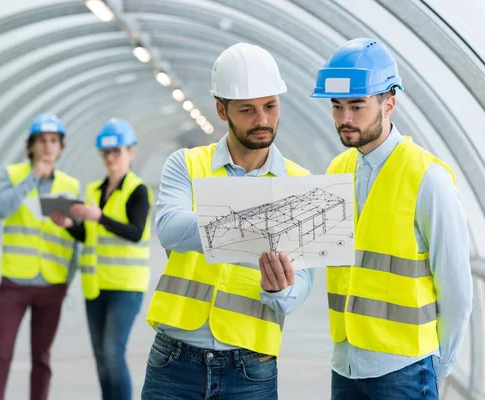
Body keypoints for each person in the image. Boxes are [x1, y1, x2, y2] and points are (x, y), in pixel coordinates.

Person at [141, 42, 316, 399]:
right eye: (247, 110)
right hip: (174, 359)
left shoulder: (301, 184)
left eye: (270, 106)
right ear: (222, 110)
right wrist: (252, 217)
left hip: (250, 367)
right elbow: (170, 228)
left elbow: (302, 285)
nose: (262, 120)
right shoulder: (187, 164)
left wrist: (280, 290)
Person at [311, 37, 473, 399]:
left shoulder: (426, 177)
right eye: (337, 107)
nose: (345, 119)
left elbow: (457, 285)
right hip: (345, 363)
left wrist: (439, 364)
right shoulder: (337, 169)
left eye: (357, 106)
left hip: (404, 369)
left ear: (389, 104)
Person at [51, 118, 153, 400]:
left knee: (113, 352)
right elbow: (91, 236)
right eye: (106, 153)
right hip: (95, 285)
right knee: (100, 355)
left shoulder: (138, 190)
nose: (110, 158)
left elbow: (134, 232)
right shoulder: (94, 190)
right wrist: (71, 225)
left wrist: (101, 217)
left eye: (116, 151)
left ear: (130, 152)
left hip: (125, 286)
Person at [0, 113, 80, 400]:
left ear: (61, 147)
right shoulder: (12, 175)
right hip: (15, 282)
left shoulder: (70, 185)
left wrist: (67, 281)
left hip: (52, 284)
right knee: (1, 353)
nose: (48, 147)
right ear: (31, 146)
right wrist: (31, 178)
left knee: (42, 357)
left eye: (54, 141)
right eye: (42, 141)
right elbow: (2, 209)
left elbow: (75, 237)